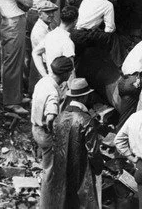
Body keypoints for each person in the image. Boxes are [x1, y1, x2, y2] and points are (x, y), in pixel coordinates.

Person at [42, 78, 103, 208]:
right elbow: (93, 151)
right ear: (85, 97)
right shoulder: (86, 120)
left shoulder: (59, 117)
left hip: (60, 168)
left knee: (63, 201)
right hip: (81, 170)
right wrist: (98, 168)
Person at [31, 56, 74, 208]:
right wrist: (52, 129)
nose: (70, 75)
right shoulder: (53, 92)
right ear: (64, 73)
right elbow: (50, 115)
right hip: (45, 133)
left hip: (35, 128)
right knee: (51, 175)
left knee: (47, 168)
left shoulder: (42, 81)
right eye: (69, 72)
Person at [0, 0, 33, 114]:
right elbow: (27, 2)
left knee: (17, 60)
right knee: (11, 61)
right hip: (12, 24)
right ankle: (11, 101)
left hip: (15, 22)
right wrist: (26, 2)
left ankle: (16, 95)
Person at [32, 5, 77, 80]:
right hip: (62, 83)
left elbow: (35, 52)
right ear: (75, 21)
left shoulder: (50, 35)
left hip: (51, 78)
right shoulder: (67, 42)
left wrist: (45, 75)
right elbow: (71, 72)